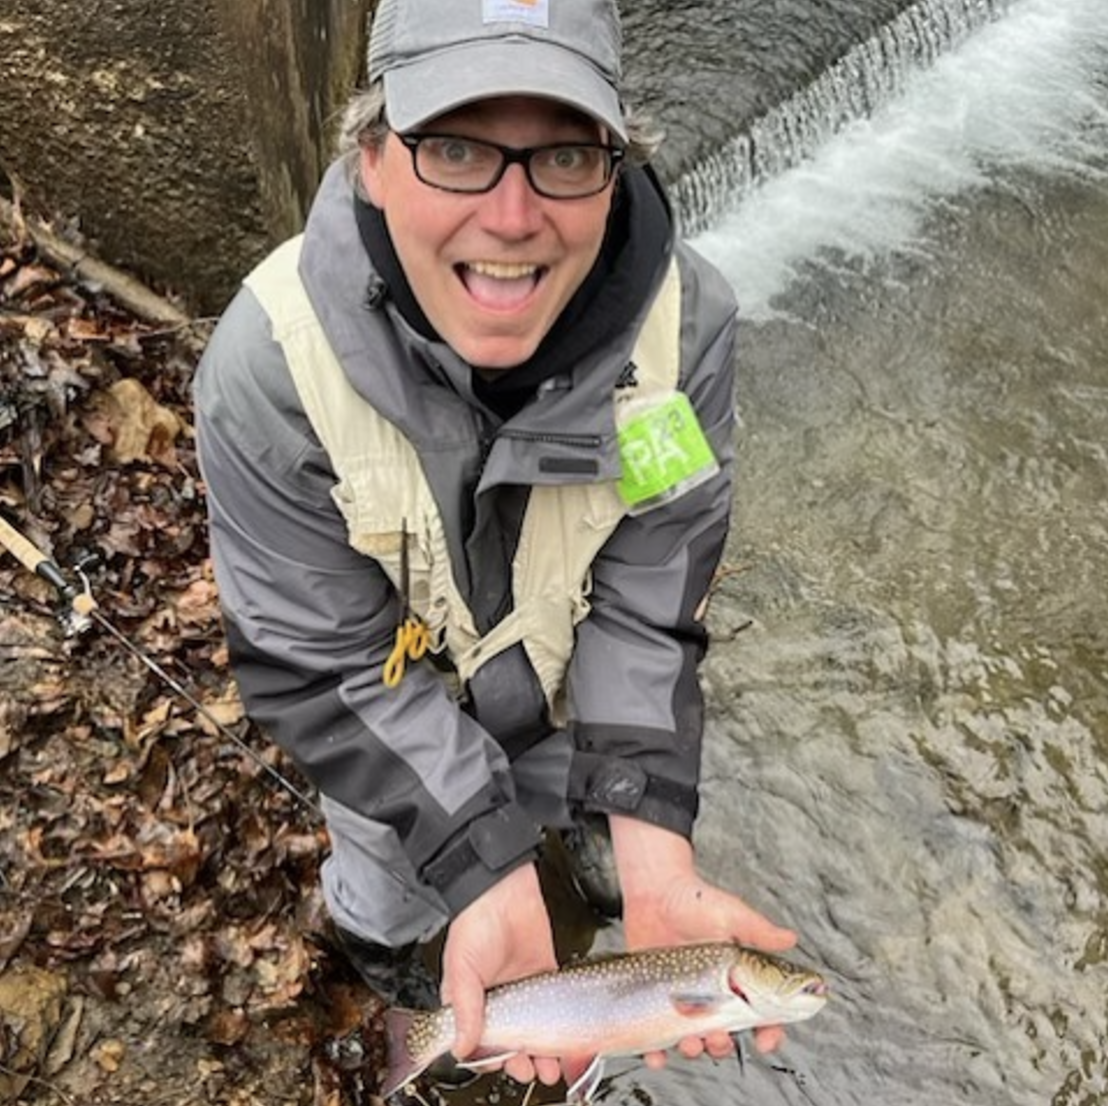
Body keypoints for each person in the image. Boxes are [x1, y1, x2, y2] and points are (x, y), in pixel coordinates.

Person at [194, 0, 797, 1089]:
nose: (513, 214)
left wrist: (654, 837)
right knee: (388, 903)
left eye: (564, 153)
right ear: (373, 158)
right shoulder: (268, 366)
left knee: (606, 850)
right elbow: (323, 666)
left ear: (615, 167)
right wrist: (479, 868)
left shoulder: (685, 323)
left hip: (571, 708)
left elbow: (653, 595)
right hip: (388, 735)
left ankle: (581, 866)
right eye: (457, 147)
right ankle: (395, 983)